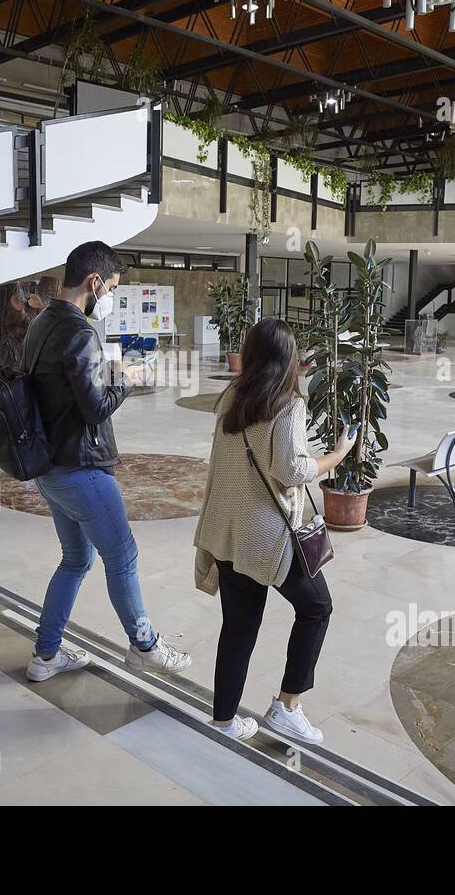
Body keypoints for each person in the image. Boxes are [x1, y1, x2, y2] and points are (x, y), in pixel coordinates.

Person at [22, 240, 190, 681]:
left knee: (76, 560)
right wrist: (129, 378)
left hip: (49, 467)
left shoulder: (42, 323)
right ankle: (145, 647)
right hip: (80, 468)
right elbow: (95, 408)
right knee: (124, 556)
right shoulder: (79, 330)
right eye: (112, 287)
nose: (111, 296)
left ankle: (45, 655)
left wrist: (105, 378)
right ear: (94, 282)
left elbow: (65, 391)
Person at [193, 318, 357, 744]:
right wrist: (336, 456)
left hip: (228, 531)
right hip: (267, 538)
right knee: (317, 606)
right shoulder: (286, 404)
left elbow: (221, 465)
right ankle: (288, 707)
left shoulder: (231, 396)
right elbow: (291, 470)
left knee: (239, 626)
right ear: (289, 359)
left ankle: (225, 722)